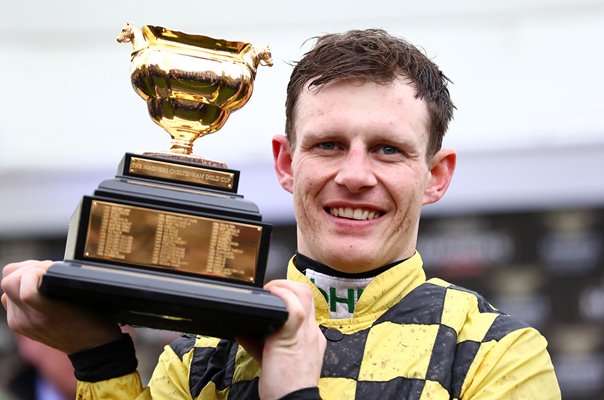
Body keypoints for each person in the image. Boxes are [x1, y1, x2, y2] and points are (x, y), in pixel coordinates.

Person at [1, 29, 560, 399]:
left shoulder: (496, 352)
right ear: (286, 163)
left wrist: (295, 391)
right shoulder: (201, 357)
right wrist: (99, 359)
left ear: (435, 175)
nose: (356, 175)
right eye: (329, 145)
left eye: (388, 149)